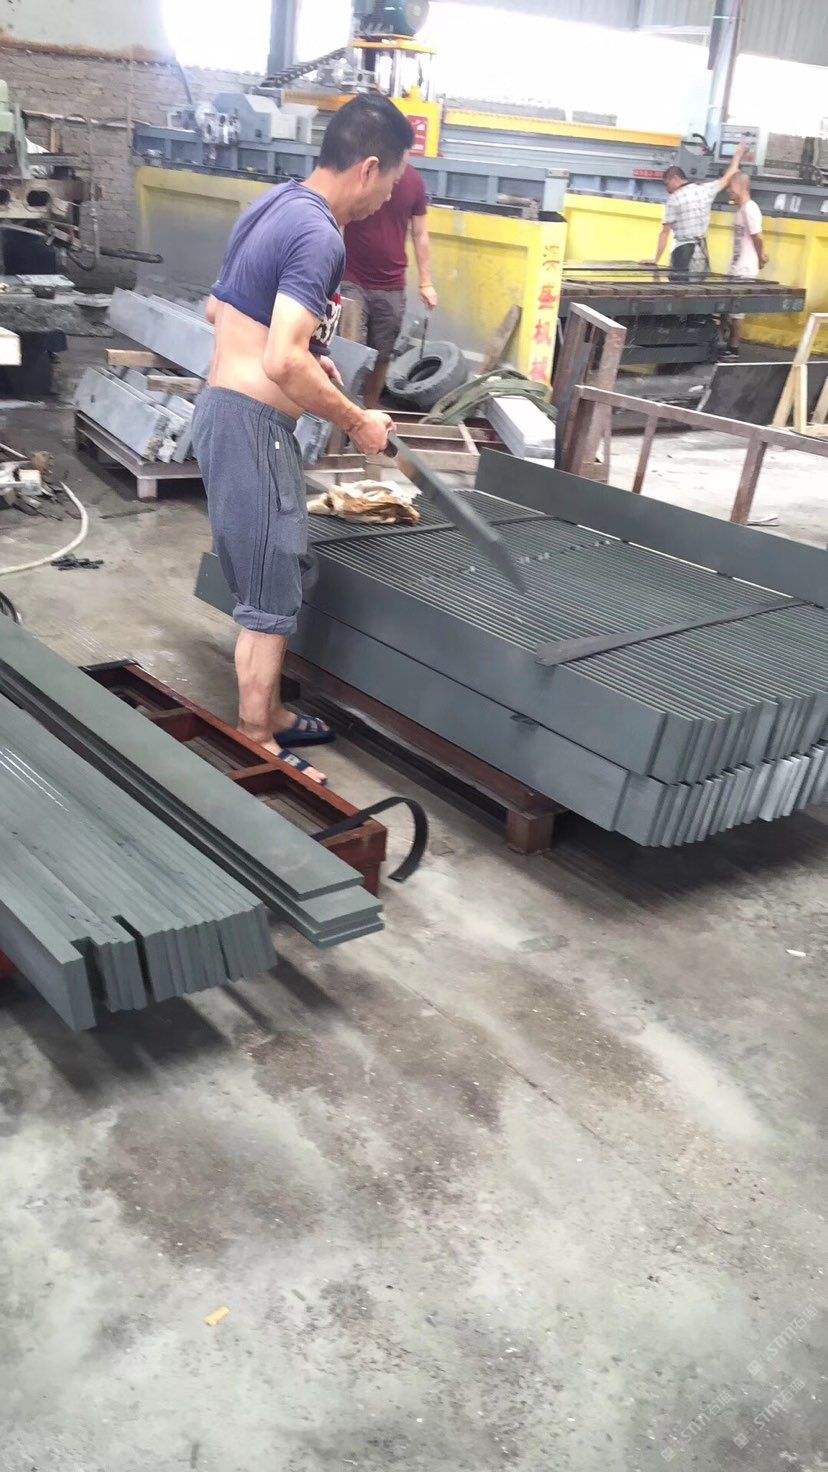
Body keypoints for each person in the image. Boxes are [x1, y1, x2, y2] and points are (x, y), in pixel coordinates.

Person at [192, 94, 413, 784]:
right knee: (269, 591)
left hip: (227, 414)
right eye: (391, 182)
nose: (388, 199)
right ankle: (257, 736)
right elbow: (281, 361)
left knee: (278, 568)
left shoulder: (275, 204)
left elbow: (219, 308)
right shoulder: (320, 235)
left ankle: (274, 713)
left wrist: (312, 353)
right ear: (368, 167)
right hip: (252, 426)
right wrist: (357, 420)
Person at [341, 162, 437, 406]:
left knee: (383, 354)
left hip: (391, 285)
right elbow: (337, 216)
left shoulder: (414, 181)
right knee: (350, 349)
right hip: (353, 279)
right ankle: (342, 412)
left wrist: (426, 282)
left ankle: (369, 409)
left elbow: (420, 233)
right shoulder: (361, 172)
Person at [644, 142, 748, 278]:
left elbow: (664, 233)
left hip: (682, 254)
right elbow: (729, 175)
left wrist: (656, 259)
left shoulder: (673, 200)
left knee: (678, 288)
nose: (667, 189)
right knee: (697, 287)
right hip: (701, 255)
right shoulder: (704, 190)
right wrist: (737, 155)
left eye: (667, 184)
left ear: (675, 179)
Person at [722, 170, 768, 356]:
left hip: (745, 269)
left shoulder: (750, 208)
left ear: (742, 186)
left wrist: (761, 257)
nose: (728, 191)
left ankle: (734, 349)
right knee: (729, 311)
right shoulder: (740, 209)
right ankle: (726, 344)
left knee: (737, 313)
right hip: (736, 268)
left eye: (731, 187)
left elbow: (758, 237)